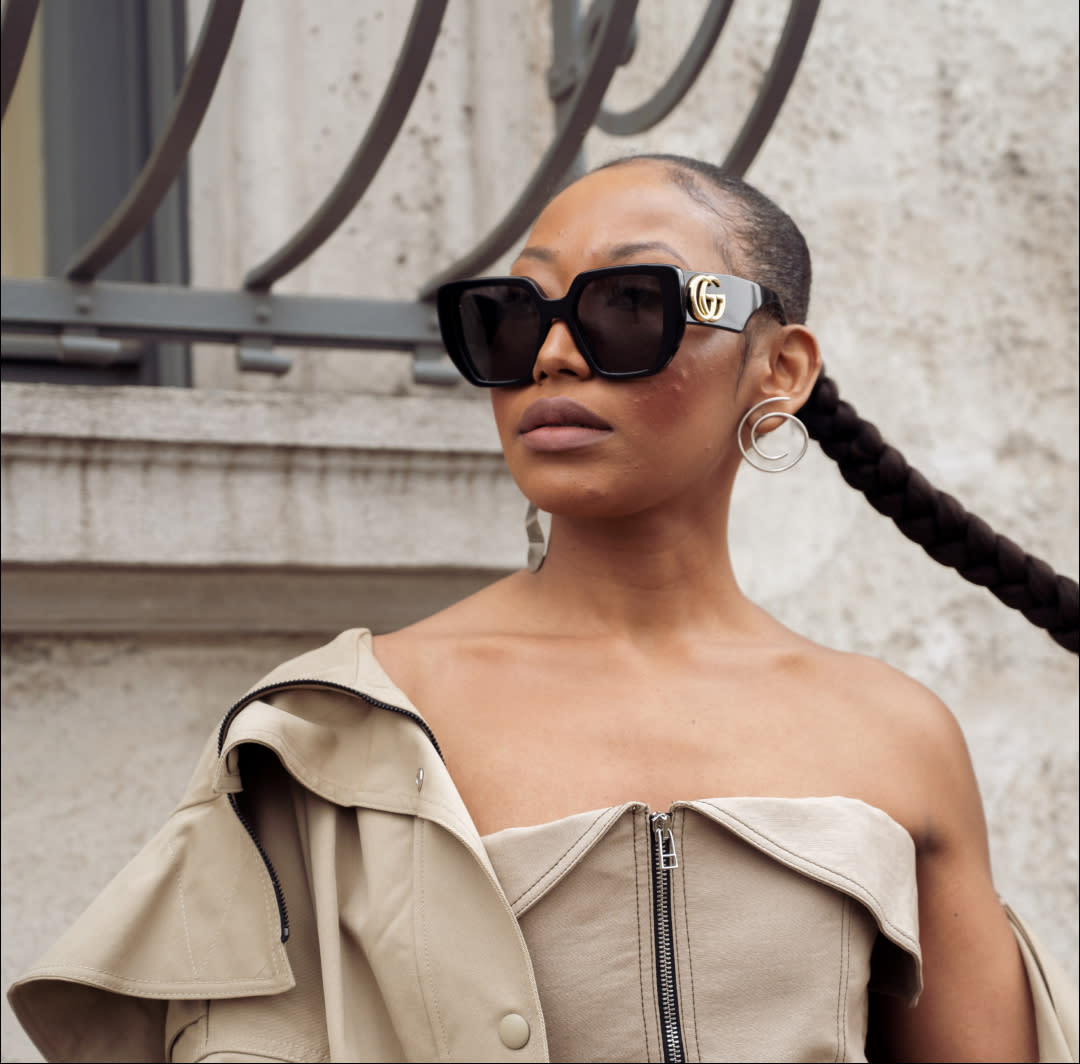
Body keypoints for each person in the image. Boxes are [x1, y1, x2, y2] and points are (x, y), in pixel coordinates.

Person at [8, 155, 1078, 1063]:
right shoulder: (334, 731)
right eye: (513, 318)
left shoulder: (896, 735)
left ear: (780, 367)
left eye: (629, 307)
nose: (555, 354)